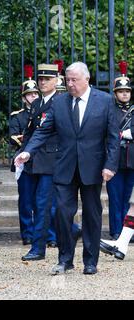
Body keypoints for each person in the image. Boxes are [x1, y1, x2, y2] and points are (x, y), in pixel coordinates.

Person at [15, 62, 119, 275]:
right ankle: (65, 259)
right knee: (62, 213)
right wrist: (28, 151)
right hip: (64, 167)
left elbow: (113, 138)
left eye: (74, 80)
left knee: (92, 215)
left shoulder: (105, 101)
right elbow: (43, 131)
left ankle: (90, 261)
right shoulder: (60, 102)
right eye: (68, 80)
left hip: (93, 167)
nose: (70, 84)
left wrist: (110, 165)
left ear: (86, 79)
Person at [19, 63, 60, 261]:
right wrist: (23, 154)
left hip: (51, 161)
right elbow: (28, 133)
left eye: (47, 79)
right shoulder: (36, 104)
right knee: (35, 203)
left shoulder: (61, 102)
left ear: (56, 80)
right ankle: (72, 230)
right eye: (41, 79)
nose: (43, 82)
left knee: (44, 205)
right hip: (33, 160)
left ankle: (38, 248)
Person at [100, 62, 134, 260]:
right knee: (115, 198)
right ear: (115, 93)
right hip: (115, 161)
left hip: (132, 160)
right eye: (120, 92)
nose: (124, 95)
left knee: (129, 199)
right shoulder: (109, 110)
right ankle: (116, 232)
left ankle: (126, 234)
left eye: (127, 92)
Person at [9, 64, 39, 245]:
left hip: (41, 160)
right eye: (29, 94)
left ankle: (41, 233)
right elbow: (13, 138)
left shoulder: (44, 113)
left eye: (35, 93)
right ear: (24, 97)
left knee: (41, 200)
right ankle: (27, 233)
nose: (33, 96)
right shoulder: (18, 116)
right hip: (24, 161)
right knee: (26, 200)